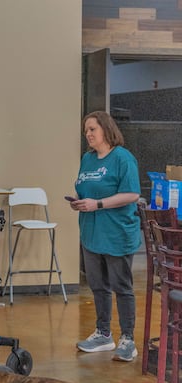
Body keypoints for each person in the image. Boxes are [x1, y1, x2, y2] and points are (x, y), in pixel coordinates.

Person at [71, 111, 141, 362]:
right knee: (98, 286)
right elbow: (84, 189)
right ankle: (103, 334)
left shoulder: (123, 158)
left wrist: (97, 204)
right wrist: (79, 203)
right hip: (91, 233)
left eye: (92, 129)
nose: (88, 134)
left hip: (117, 233)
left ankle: (128, 340)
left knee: (121, 287)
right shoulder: (87, 159)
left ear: (106, 130)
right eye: (86, 130)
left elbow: (132, 194)